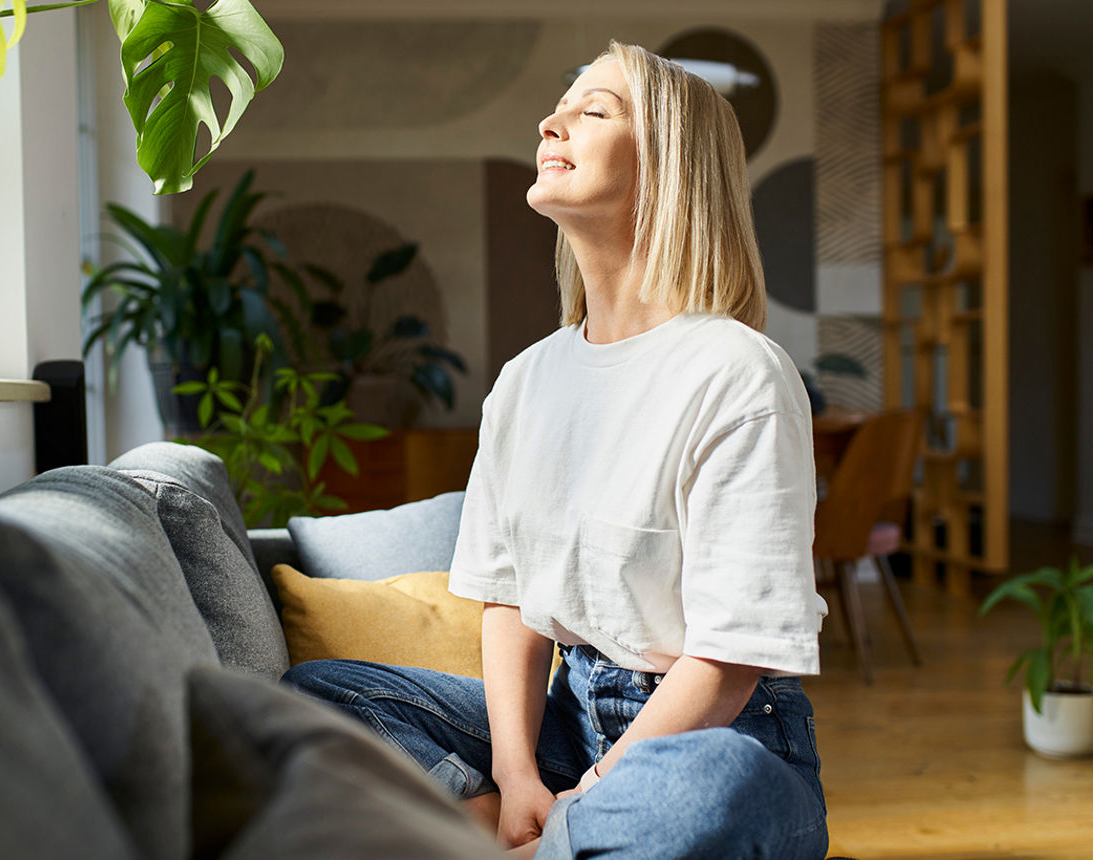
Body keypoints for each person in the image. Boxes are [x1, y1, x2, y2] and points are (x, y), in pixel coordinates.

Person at [283, 41, 829, 860]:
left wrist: (595, 793)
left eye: (592, 110)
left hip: (716, 732)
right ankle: (529, 835)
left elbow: (728, 660)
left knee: (715, 788)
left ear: (666, 168)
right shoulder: (526, 380)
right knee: (313, 695)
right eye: (559, 106)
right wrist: (515, 780)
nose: (550, 123)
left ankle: (523, 841)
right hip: (567, 719)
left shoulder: (738, 372)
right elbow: (509, 600)